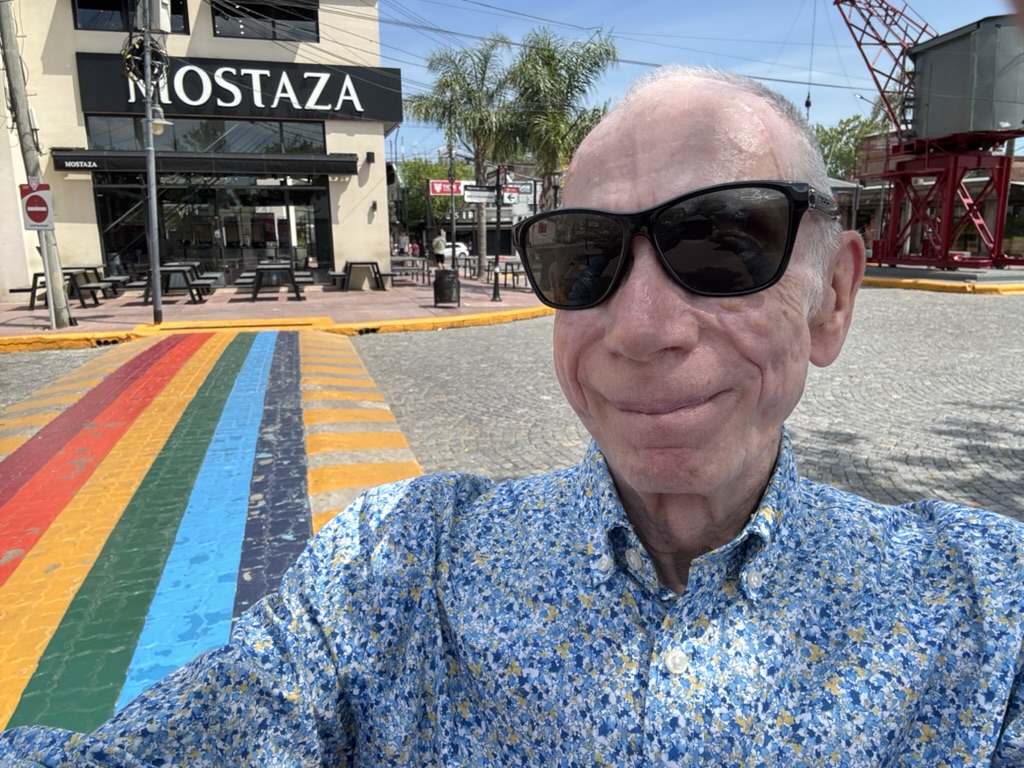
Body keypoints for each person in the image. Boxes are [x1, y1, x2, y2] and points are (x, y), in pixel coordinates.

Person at [2, 66, 1023, 766]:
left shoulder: (985, 610)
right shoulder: (392, 570)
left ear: (833, 299)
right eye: (585, 257)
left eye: (719, 241)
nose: (640, 323)